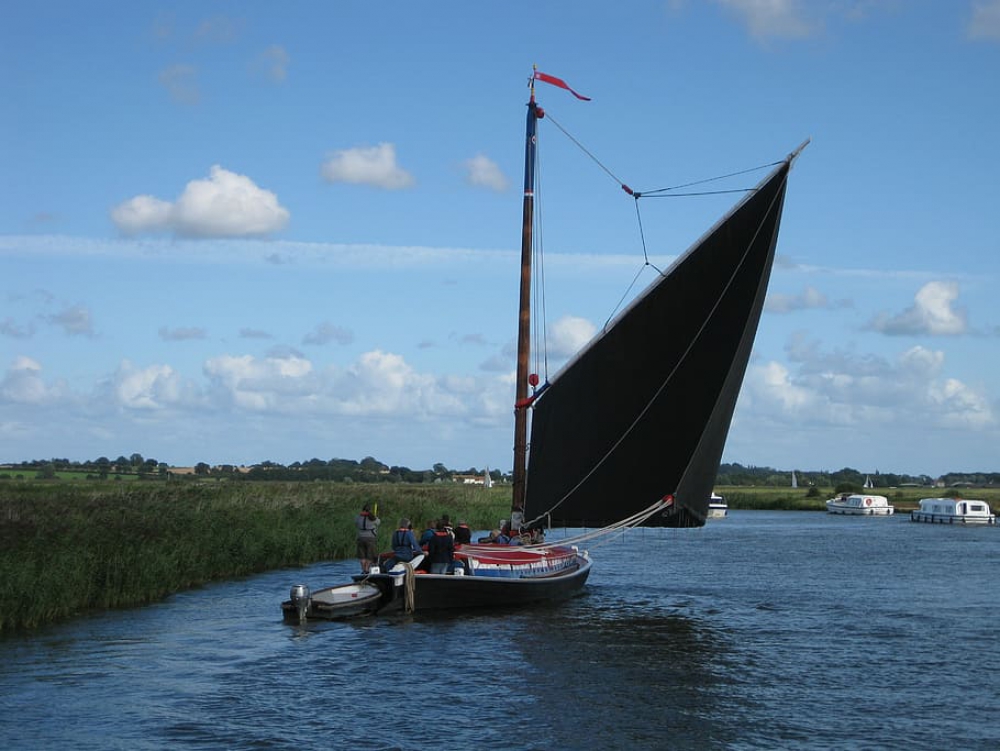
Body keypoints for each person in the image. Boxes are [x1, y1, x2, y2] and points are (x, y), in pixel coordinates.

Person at [355, 503, 380, 574]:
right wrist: (375, 517)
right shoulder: (372, 517)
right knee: (370, 555)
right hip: (370, 539)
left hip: (360, 538)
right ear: (369, 510)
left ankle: (363, 570)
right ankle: (366, 569)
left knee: (362, 556)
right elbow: (378, 522)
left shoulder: (358, 517)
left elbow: (356, 523)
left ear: (363, 510)